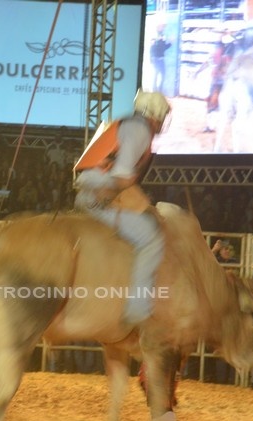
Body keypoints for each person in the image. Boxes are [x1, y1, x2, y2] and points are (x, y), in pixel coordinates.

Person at [73, 89, 170, 326]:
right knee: (151, 239)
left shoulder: (125, 124)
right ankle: (137, 310)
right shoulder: (140, 130)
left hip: (91, 188)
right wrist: (141, 205)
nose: (162, 122)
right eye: (162, 116)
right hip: (99, 193)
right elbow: (122, 177)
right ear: (155, 115)